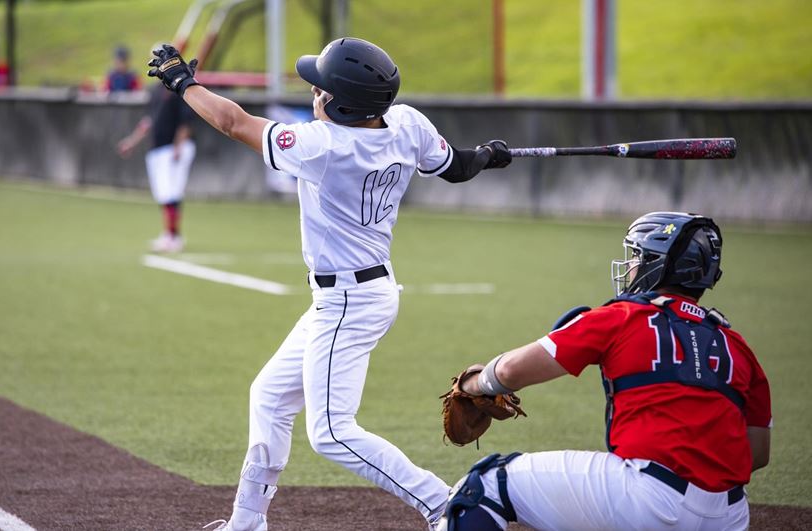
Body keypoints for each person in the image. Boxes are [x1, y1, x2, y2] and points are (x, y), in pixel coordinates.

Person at [146, 38, 513, 530]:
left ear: (342, 105)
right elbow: (457, 168)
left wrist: (182, 83)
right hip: (354, 294)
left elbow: (233, 122)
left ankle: (444, 504)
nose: (314, 92)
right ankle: (246, 522)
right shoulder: (406, 123)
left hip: (348, 300)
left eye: (321, 88)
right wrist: (486, 155)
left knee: (332, 433)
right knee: (269, 396)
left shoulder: (323, 145)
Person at [436, 212, 771, 531]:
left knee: (483, 486)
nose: (631, 265)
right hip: (729, 515)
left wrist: (474, 383)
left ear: (658, 264)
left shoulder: (625, 316)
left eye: (638, 256)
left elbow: (510, 371)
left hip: (648, 497)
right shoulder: (737, 345)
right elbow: (757, 453)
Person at [117, 82, 197, 252]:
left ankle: (172, 237)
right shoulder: (155, 90)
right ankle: (171, 235)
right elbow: (149, 120)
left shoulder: (179, 87)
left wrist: (178, 146)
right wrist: (131, 141)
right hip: (159, 150)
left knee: (170, 193)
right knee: (164, 194)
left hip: (172, 149)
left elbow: (186, 121)